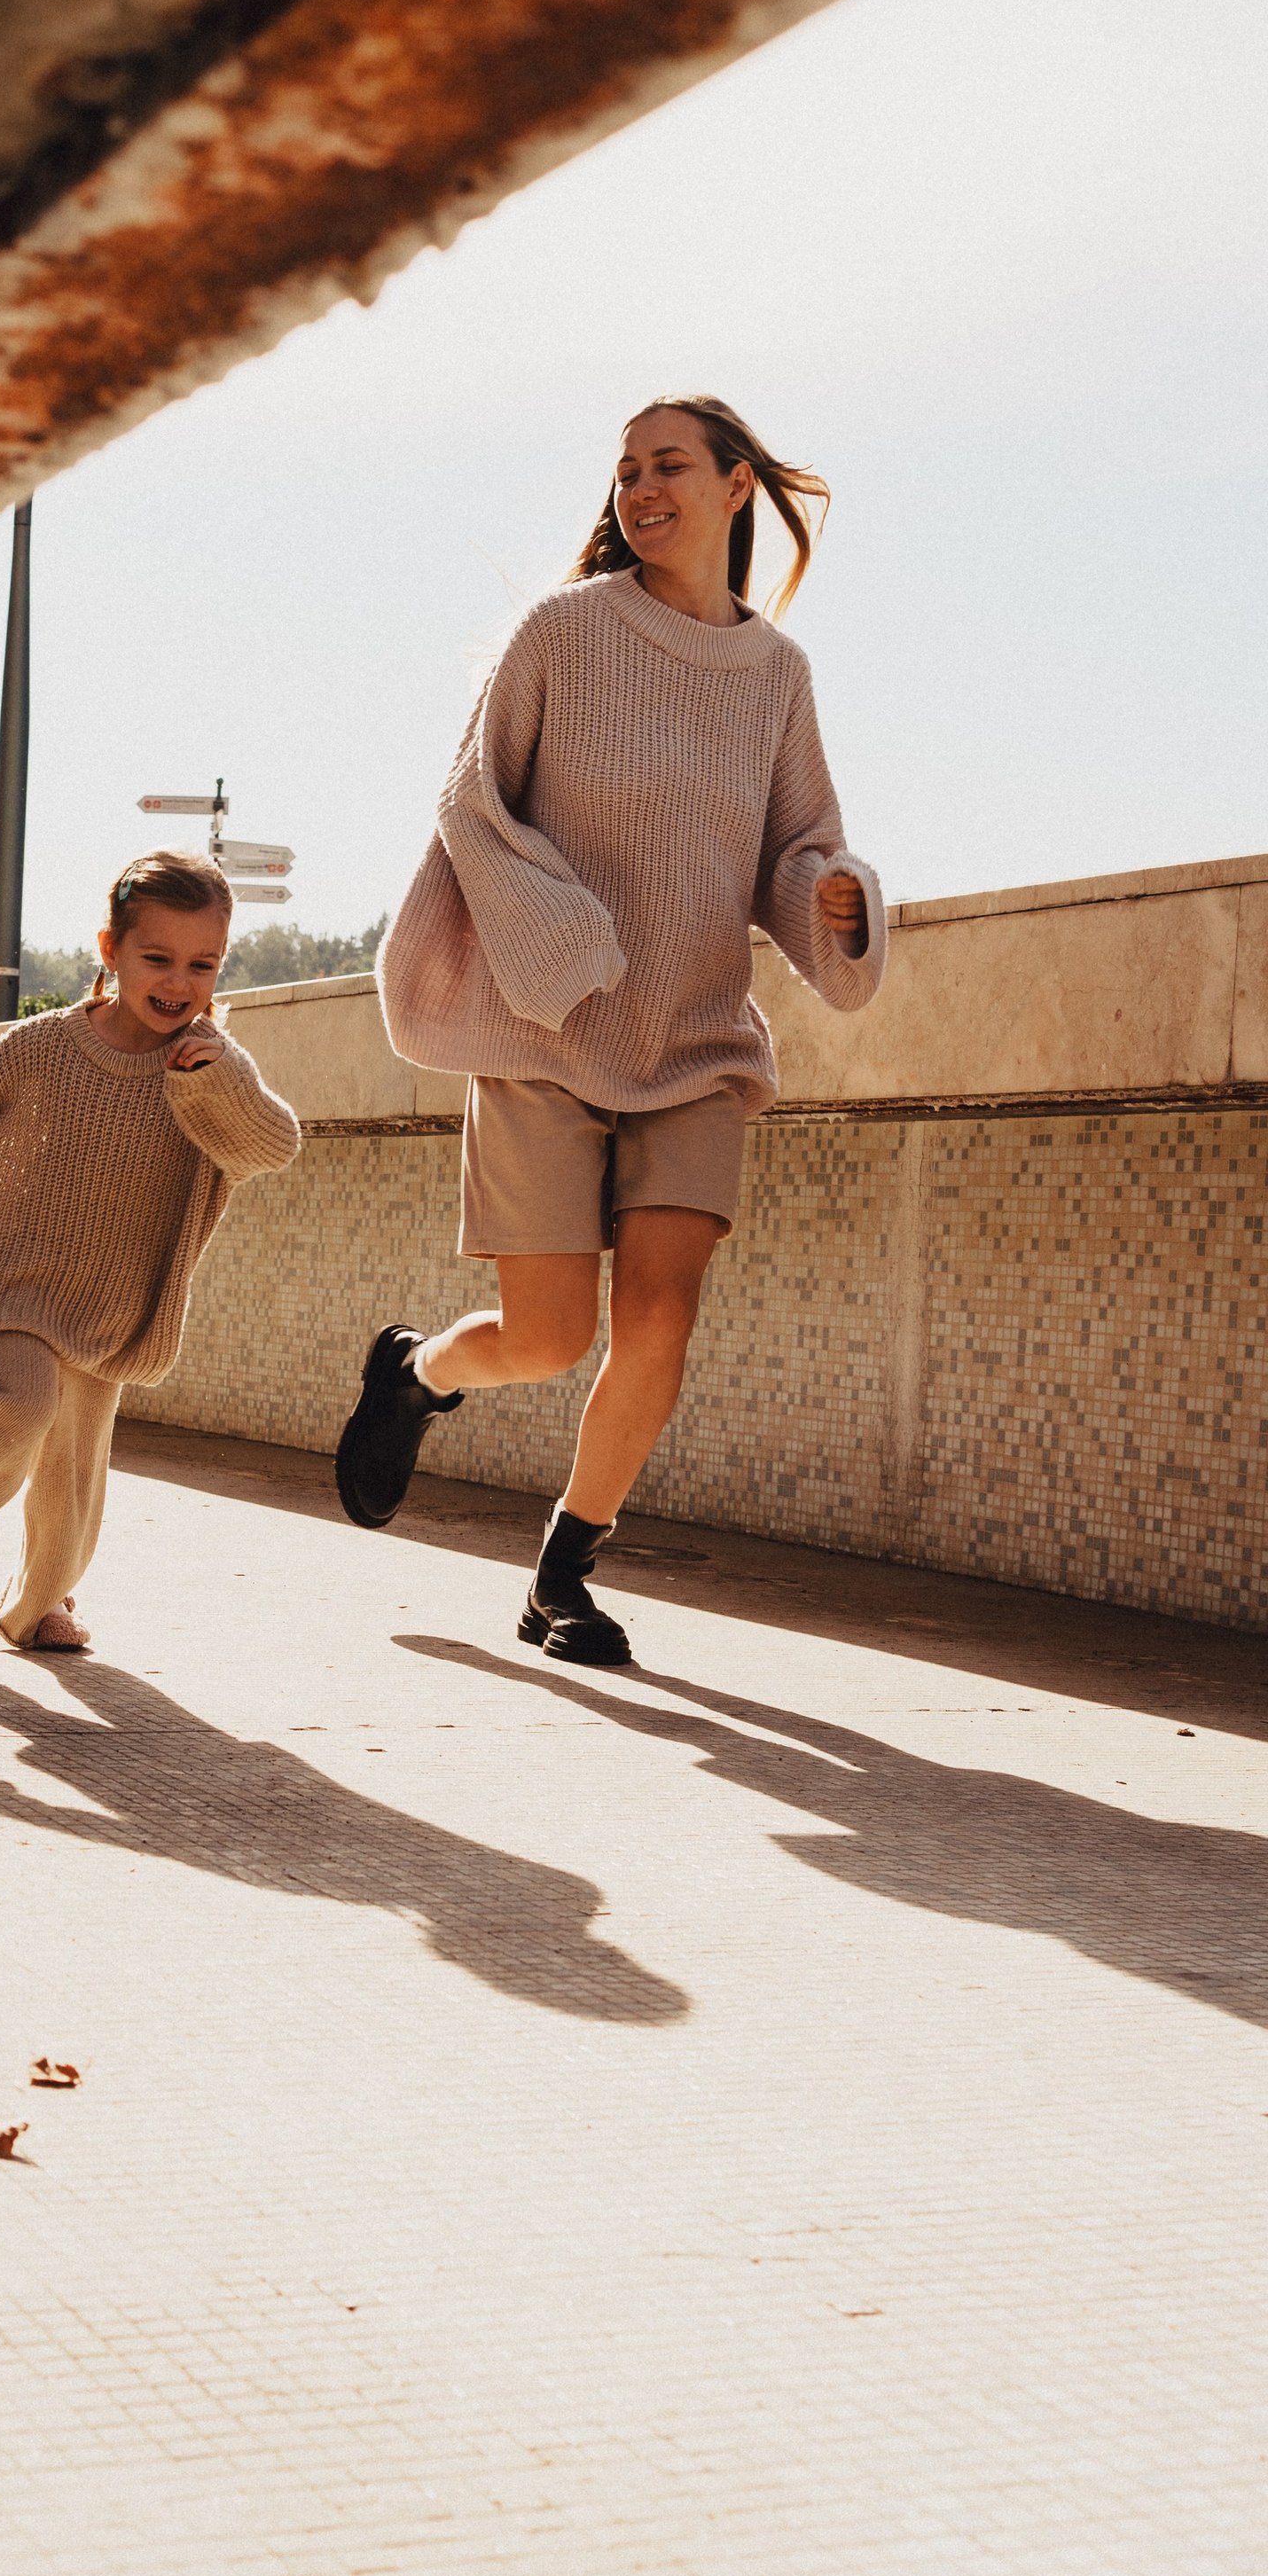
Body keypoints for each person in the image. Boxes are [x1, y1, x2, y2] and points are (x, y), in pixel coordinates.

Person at [333, 394, 887, 1667]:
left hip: (694, 1044)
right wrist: (564, 943)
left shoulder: (776, 676)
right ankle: (415, 1375)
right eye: (627, 470)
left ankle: (562, 1576)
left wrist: (835, 898)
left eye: (670, 466)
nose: (642, 489)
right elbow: (470, 808)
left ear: (736, 487)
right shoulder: (563, 634)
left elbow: (796, 850)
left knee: (659, 1322)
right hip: (547, 1033)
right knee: (546, 1337)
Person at [0, 850, 300, 1651]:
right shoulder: (45, 1047)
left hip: (114, 1300)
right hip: (18, 1281)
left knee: (74, 1479)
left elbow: (270, 1146)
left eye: (202, 964)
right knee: (21, 1406)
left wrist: (216, 1082)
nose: (178, 982)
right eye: (156, 957)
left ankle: (38, 1603)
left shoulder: (212, 1061)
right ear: (109, 950)